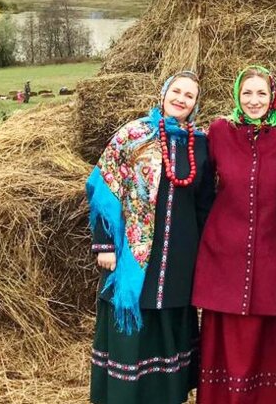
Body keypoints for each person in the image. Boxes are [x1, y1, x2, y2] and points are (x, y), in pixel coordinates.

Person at [87, 71, 215, 404]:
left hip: (178, 256)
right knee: (133, 320)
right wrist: (104, 244)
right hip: (132, 254)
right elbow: (105, 187)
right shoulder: (134, 134)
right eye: (176, 91)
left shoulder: (199, 143)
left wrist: (207, 253)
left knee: (168, 322)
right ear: (164, 93)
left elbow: (204, 204)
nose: (181, 99)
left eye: (189, 96)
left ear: (195, 104)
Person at [193, 65, 276, 404]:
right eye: (247, 93)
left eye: (261, 93)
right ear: (236, 96)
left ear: (273, 96)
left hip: (275, 251)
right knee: (227, 335)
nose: (254, 100)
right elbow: (198, 186)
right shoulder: (218, 132)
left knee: (270, 336)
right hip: (224, 252)